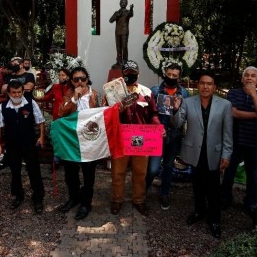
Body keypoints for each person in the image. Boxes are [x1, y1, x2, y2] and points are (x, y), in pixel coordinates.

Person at [171, 70, 233, 239]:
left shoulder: (225, 105)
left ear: (215, 87)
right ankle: (199, 211)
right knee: (197, 185)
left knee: (213, 189)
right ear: (198, 85)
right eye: (202, 83)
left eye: (209, 84)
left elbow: (228, 133)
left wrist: (226, 155)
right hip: (194, 152)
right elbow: (177, 124)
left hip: (214, 152)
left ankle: (214, 220)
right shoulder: (188, 102)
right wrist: (175, 110)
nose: (205, 86)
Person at [106, 60, 161, 217]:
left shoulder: (146, 92)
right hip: (121, 137)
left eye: (133, 73)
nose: (130, 75)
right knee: (118, 171)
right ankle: (117, 200)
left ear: (138, 73)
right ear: (122, 74)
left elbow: (153, 114)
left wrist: (157, 128)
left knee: (140, 172)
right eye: (127, 73)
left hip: (140, 138)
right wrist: (118, 107)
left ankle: (139, 200)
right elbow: (107, 114)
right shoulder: (113, 91)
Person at [221, 66, 257, 214]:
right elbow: (232, 113)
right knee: (229, 173)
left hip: (254, 142)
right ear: (242, 79)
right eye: (247, 75)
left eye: (253, 76)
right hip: (234, 141)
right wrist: (256, 114)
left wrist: (254, 95)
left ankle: (250, 202)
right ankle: (225, 199)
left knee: (252, 176)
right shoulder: (233, 93)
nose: (249, 78)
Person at [0, 79, 46, 213]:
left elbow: (40, 120)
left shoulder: (30, 103)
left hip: (29, 143)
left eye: (18, 92)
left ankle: (38, 198)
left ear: (23, 92)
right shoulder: (2, 107)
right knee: (15, 170)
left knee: (34, 170)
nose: (16, 95)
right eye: (13, 93)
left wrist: (41, 136)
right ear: (8, 93)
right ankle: (18, 195)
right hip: (12, 145)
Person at [57, 67, 101, 220]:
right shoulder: (69, 95)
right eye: (76, 79)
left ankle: (86, 203)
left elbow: (103, 114)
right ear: (71, 81)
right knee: (70, 172)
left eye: (83, 78)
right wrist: (74, 99)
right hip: (72, 140)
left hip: (90, 140)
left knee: (88, 173)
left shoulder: (96, 95)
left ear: (87, 79)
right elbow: (61, 113)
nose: (80, 82)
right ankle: (74, 197)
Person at [145, 63, 189, 210]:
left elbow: (184, 116)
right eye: (169, 75)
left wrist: (177, 110)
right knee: (152, 168)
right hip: (157, 136)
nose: (171, 78)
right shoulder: (155, 91)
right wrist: (156, 126)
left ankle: (164, 193)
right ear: (164, 73)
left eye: (174, 76)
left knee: (169, 167)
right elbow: (150, 113)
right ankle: (143, 191)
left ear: (179, 77)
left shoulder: (184, 93)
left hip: (174, 137)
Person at [39, 68, 71, 172]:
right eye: (60, 75)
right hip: (57, 117)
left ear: (68, 76)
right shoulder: (55, 87)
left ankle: (68, 161)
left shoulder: (72, 88)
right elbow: (47, 97)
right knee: (57, 140)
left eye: (63, 75)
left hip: (69, 117)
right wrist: (39, 96)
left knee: (68, 139)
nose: (61, 77)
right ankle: (56, 161)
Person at [109, 0, 134, 66]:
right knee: (118, 48)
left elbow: (131, 14)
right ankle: (119, 61)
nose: (123, 3)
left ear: (126, 4)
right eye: (122, 2)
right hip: (117, 32)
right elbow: (110, 20)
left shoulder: (127, 12)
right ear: (120, 3)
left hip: (124, 32)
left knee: (124, 47)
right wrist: (117, 16)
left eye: (125, 2)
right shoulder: (117, 12)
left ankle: (125, 61)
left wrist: (131, 8)